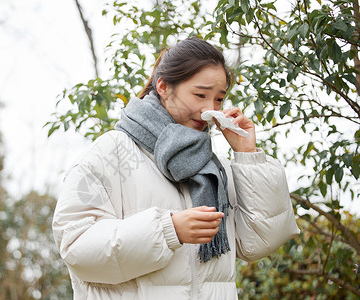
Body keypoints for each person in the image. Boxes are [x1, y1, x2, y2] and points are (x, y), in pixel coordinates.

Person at [52, 37, 300, 299]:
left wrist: (247, 154)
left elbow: (260, 241)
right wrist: (167, 230)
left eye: (218, 99)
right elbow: (76, 248)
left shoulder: (214, 169)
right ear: (163, 87)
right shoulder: (108, 155)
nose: (210, 111)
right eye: (200, 95)